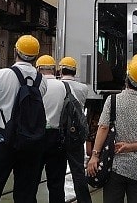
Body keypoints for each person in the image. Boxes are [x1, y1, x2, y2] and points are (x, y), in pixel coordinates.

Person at [0, 34, 48, 203]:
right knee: (26, 194)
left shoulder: (1, 75)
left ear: (16, 50)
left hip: (4, 140)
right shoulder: (42, 80)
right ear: (36, 56)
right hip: (32, 142)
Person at [87, 55, 137, 203]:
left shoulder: (113, 100)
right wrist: (134, 146)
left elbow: (103, 127)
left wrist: (95, 155)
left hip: (115, 165)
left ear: (127, 78)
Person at [38, 55, 74, 203]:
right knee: (56, 184)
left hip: (37, 137)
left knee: (31, 181)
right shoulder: (64, 87)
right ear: (54, 69)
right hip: (58, 137)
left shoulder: (37, 86)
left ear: (38, 68)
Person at [59, 56, 92, 203]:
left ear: (60, 69)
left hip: (58, 134)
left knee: (57, 172)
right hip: (76, 135)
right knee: (78, 172)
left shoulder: (56, 86)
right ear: (75, 71)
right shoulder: (83, 88)